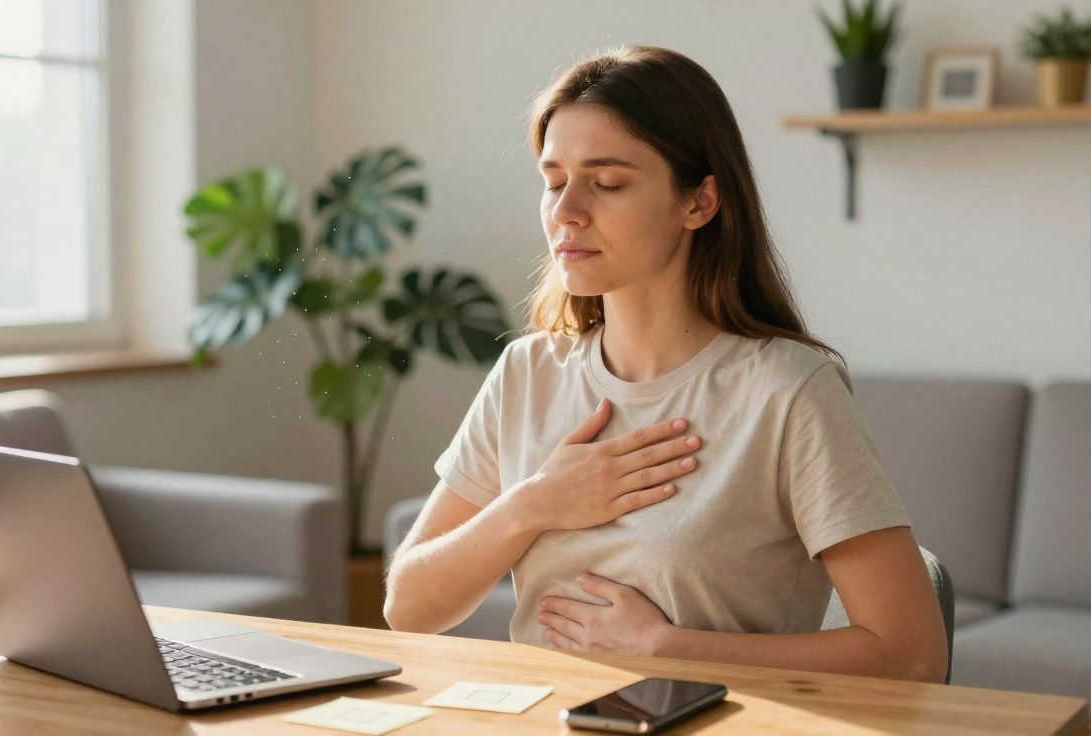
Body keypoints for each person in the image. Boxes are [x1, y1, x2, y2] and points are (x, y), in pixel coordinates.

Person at [383, 45, 947, 683]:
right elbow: (408, 608)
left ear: (699, 202)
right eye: (553, 180)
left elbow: (912, 654)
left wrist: (666, 646)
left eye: (608, 182)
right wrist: (535, 503)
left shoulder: (788, 390)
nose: (566, 210)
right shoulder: (527, 373)